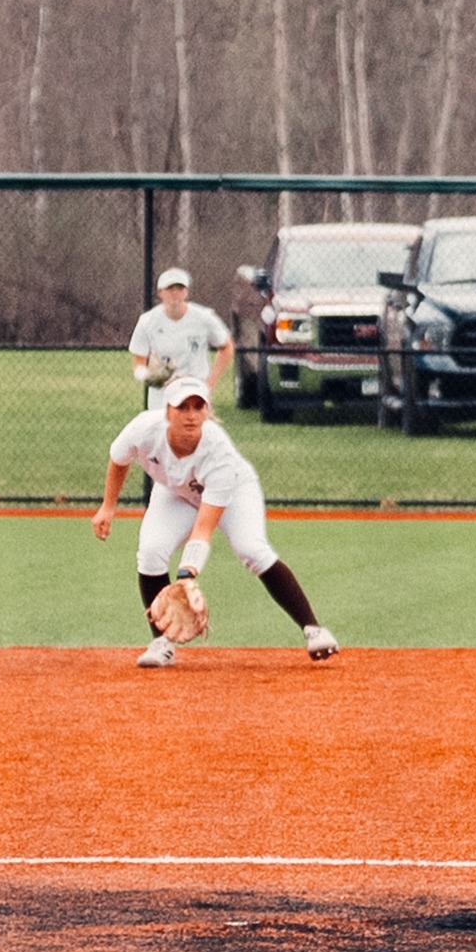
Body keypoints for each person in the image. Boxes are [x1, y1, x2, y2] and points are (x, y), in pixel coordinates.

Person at [91, 374, 339, 669]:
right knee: (150, 551)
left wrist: (186, 576)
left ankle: (314, 629)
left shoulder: (218, 451)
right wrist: (107, 507)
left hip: (234, 492)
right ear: (167, 410)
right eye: (183, 407)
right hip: (175, 490)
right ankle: (161, 643)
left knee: (251, 549)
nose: (191, 415)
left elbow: (203, 528)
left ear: (207, 411)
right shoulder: (144, 429)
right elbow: (119, 459)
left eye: (199, 406)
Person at [128, 267, 233, 410]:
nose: (175, 294)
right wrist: (148, 375)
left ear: (186, 292)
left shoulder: (204, 317)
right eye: (170, 289)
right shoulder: (147, 321)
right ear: (160, 293)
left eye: (180, 288)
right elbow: (138, 362)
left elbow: (226, 346)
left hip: (195, 389)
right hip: (162, 393)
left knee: (196, 430)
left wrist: (210, 383)